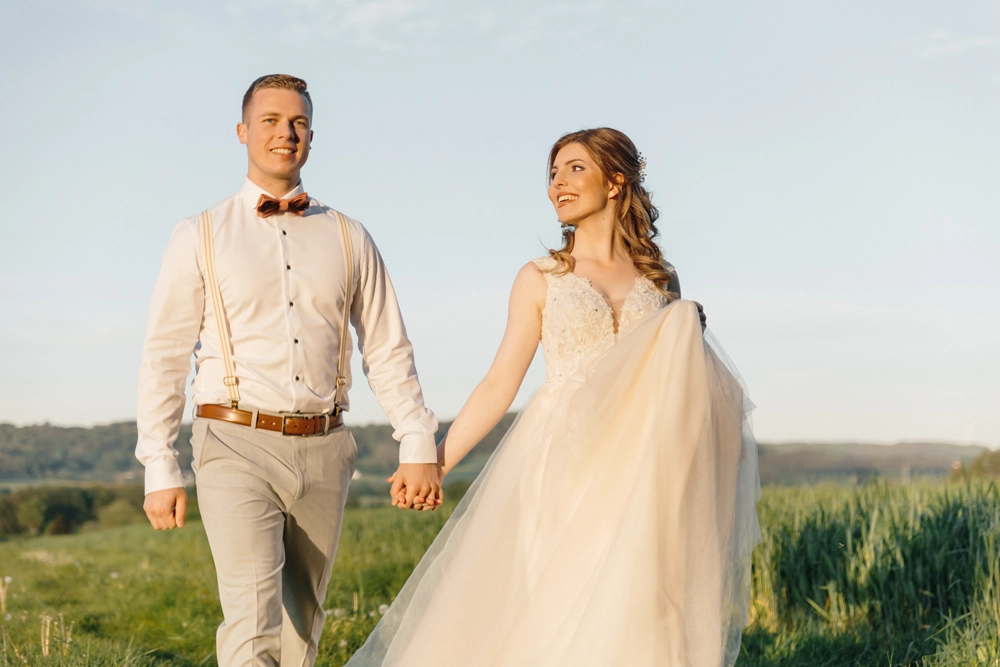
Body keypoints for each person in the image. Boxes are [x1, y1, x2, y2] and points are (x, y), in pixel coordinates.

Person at [348, 128, 761, 667]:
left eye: (574, 169)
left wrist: (689, 332)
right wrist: (437, 461)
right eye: (553, 173)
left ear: (616, 182)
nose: (557, 184)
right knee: (561, 596)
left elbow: (682, 389)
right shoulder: (541, 277)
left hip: (643, 467)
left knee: (645, 597)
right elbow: (499, 384)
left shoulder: (662, 281)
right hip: (566, 459)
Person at [135, 74, 443, 666]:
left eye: (298, 122)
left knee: (302, 626)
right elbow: (165, 355)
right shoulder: (198, 235)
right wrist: (159, 463)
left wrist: (416, 439)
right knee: (253, 619)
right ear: (243, 131)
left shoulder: (350, 236)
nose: (286, 133)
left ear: (311, 136)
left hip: (326, 446)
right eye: (271, 120)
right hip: (233, 442)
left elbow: (386, 345)